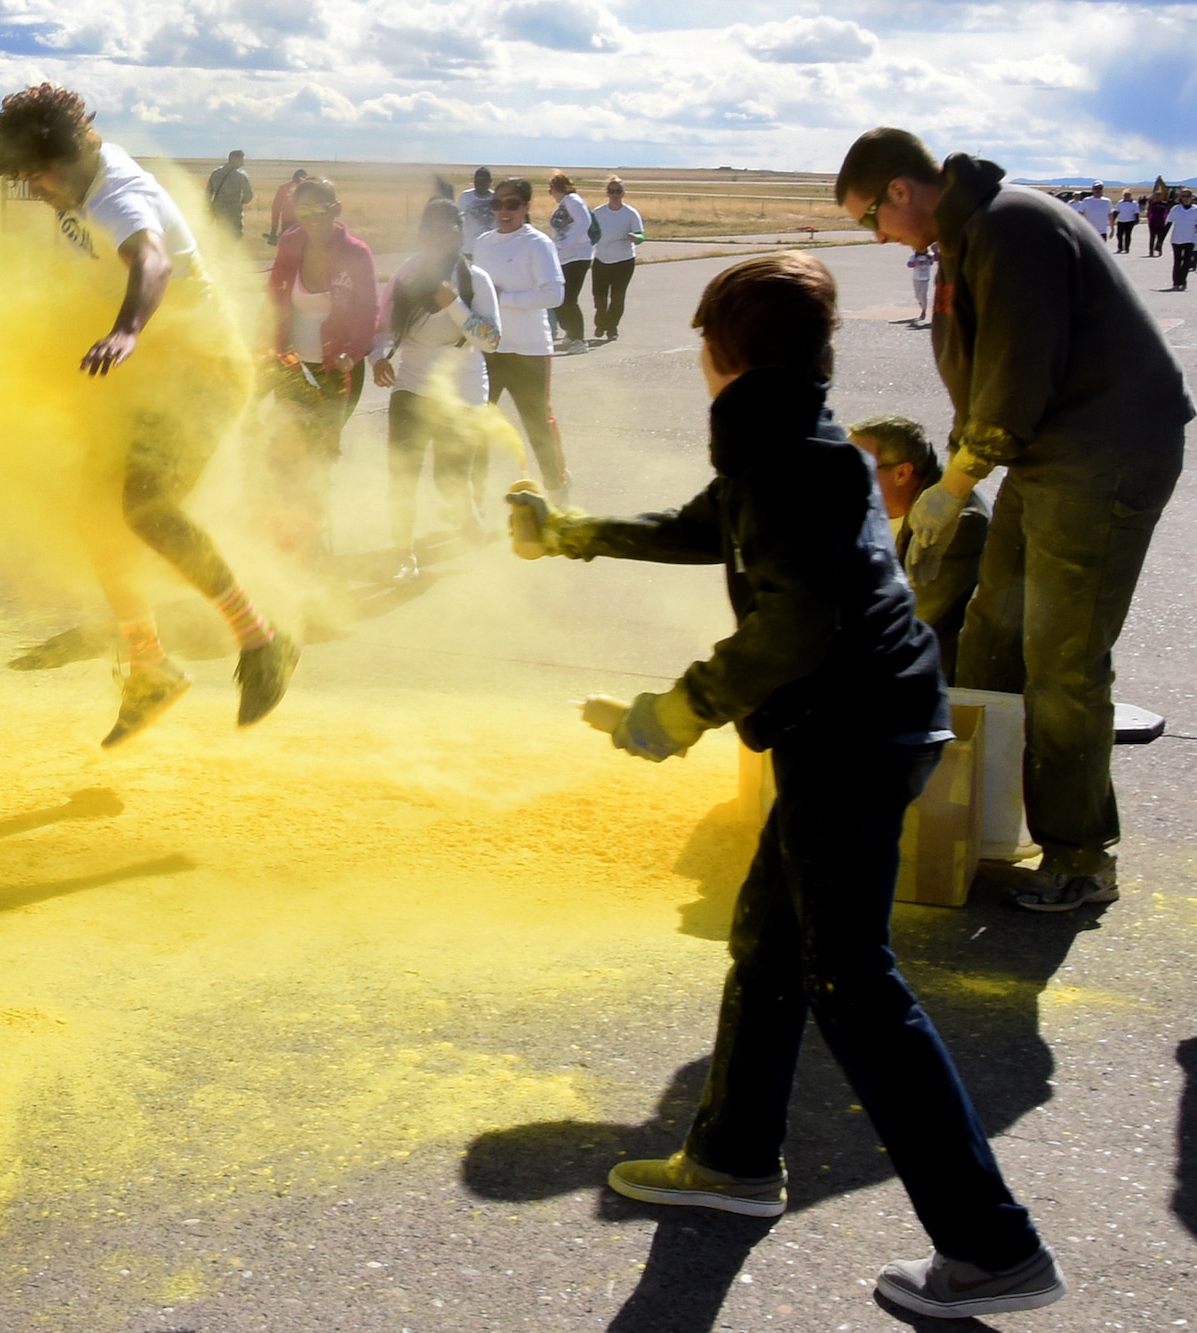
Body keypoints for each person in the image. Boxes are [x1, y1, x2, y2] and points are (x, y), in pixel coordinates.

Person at [513, 251, 1065, 1323]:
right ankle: (729, 1156)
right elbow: (708, 527)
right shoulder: (796, 436)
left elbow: (792, 624)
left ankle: (992, 1247)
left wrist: (670, 712)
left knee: (852, 985)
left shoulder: (773, 445)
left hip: (850, 734)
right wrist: (571, 534)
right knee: (768, 940)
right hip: (869, 723)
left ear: (719, 354)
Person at [0, 88, 298, 747]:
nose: (34, 191)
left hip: (200, 372)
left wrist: (127, 329)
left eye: (38, 177)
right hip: (146, 382)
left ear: (67, 155)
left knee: (145, 509)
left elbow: (149, 260)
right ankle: (149, 665)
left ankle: (263, 640)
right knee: (97, 514)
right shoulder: (67, 169)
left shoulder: (118, 196)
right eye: (26, 178)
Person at [837, 126, 1193, 912]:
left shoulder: (1010, 226)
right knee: (993, 631)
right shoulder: (971, 234)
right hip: (1046, 459)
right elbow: (990, 373)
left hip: (1101, 460)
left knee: (1061, 659)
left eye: (869, 218)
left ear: (900, 190)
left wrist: (955, 481)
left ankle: (1079, 855)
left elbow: (1017, 373)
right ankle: (983, 822)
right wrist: (967, 465)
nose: (877, 234)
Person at [371, 198, 501, 581]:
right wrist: (378, 358)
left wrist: (455, 305)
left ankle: (467, 513)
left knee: (449, 482)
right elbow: (381, 329)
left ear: (458, 233)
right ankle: (404, 554)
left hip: (461, 393)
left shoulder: (475, 280)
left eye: (444, 228)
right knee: (402, 477)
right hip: (410, 387)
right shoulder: (407, 275)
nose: (434, 236)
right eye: (428, 228)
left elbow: (491, 340)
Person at [263, 177, 378, 566]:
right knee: (285, 451)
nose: (311, 217)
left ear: (336, 209)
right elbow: (275, 300)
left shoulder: (356, 254)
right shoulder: (290, 244)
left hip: (337, 372)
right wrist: (268, 348)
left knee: (318, 456)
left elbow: (368, 315)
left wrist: (352, 352)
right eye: (303, 209)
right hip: (293, 368)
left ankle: (315, 543)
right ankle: (293, 539)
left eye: (320, 209)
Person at [849, 414, 990, 682]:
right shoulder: (864, 507)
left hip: (922, 675)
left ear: (902, 473)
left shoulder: (956, 526)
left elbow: (916, 618)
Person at [474, 177, 569, 502]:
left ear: (526, 207)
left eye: (512, 204)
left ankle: (557, 490)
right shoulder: (484, 244)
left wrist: (505, 298)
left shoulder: (537, 243)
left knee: (537, 425)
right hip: (488, 350)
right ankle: (474, 499)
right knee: (477, 424)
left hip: (528, 350)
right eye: (497, 204)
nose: (504, 210)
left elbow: (554, 293)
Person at [589, 175, 644, 341]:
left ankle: (612, 328)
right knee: (599, 296)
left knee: (617, 296)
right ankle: (601, 322)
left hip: (624, 260)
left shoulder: (630, 213)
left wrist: (636, 237)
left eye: (618, 191)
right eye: (611, 191)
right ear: (607, 193)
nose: (614, 194)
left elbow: (641, 235)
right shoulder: (598, 213)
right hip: (601, 259)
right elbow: (589, 234)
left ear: (623, 193)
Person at [545, 172, 595, 350]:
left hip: (577, 255)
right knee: (561, 298)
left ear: (558, 188)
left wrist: (566, 243)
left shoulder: (573, 200)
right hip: (565, 257)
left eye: (551, 189)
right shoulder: (565, 204)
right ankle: (571, 334)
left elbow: (584, 222)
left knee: (569, 299)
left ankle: (579, 340)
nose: (550, 193)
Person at [207, 150, 255, 238]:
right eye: (241, 159)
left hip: (219, 212)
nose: (243, 162)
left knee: (221, 236)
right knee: (234, 237)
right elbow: (249, 195)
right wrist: (240, 202)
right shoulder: (241, 175)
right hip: (234, 213)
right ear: (235, 159)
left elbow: (208, 194)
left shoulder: (215, 173)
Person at [266, 168, 308, 244]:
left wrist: (273, 230)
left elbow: (275, 209)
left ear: (293, 177)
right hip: (304, 224)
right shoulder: (309, 190)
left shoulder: (284, 188)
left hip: (288, 224)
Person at [458, 167, 498, 243]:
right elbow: (459, 219)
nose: (480, 185)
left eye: (483, 182)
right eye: (477, 182)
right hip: (470, 246)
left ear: (490, 181)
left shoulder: (497, 197)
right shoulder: (465, 196)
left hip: (492, 245)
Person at [1171, 188, 1197, 291]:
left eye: (1188, 196)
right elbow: (1168, 223)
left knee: (1186, 262)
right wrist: (1160, 240)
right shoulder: (1176, 209)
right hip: (1176, 239)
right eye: (1183, 196)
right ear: (1180, 198)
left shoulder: (1195, 209)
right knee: (1177, 261)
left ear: (1192, 198)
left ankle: (1183, 281)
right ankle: (1176, 282)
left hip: (1190, 239)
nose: (1186, 199)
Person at [906, 242, 937, 323]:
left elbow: (935, 259)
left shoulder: (929, 256)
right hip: (916, 278)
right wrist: (915, 263)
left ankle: (924, 311)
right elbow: (909, 264)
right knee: (917, 295)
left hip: (925, 278)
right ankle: (920, 302)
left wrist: (936, 250)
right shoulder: (914, 257)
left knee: (923, 295)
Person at [1114, 189, 1140, 254]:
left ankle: (1127, 248)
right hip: (1121, 221)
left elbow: (1136, 212)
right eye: (1125, 195)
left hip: (1130, 221)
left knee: (1127, 235)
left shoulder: (1134, 203)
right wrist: (1113, 219)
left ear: (1130, 196)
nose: (1127, 196)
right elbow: (1116, 211)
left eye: (1128, 195)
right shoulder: (1120, 202)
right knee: (1119, 235)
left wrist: (1137, 219)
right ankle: (1120, 247)